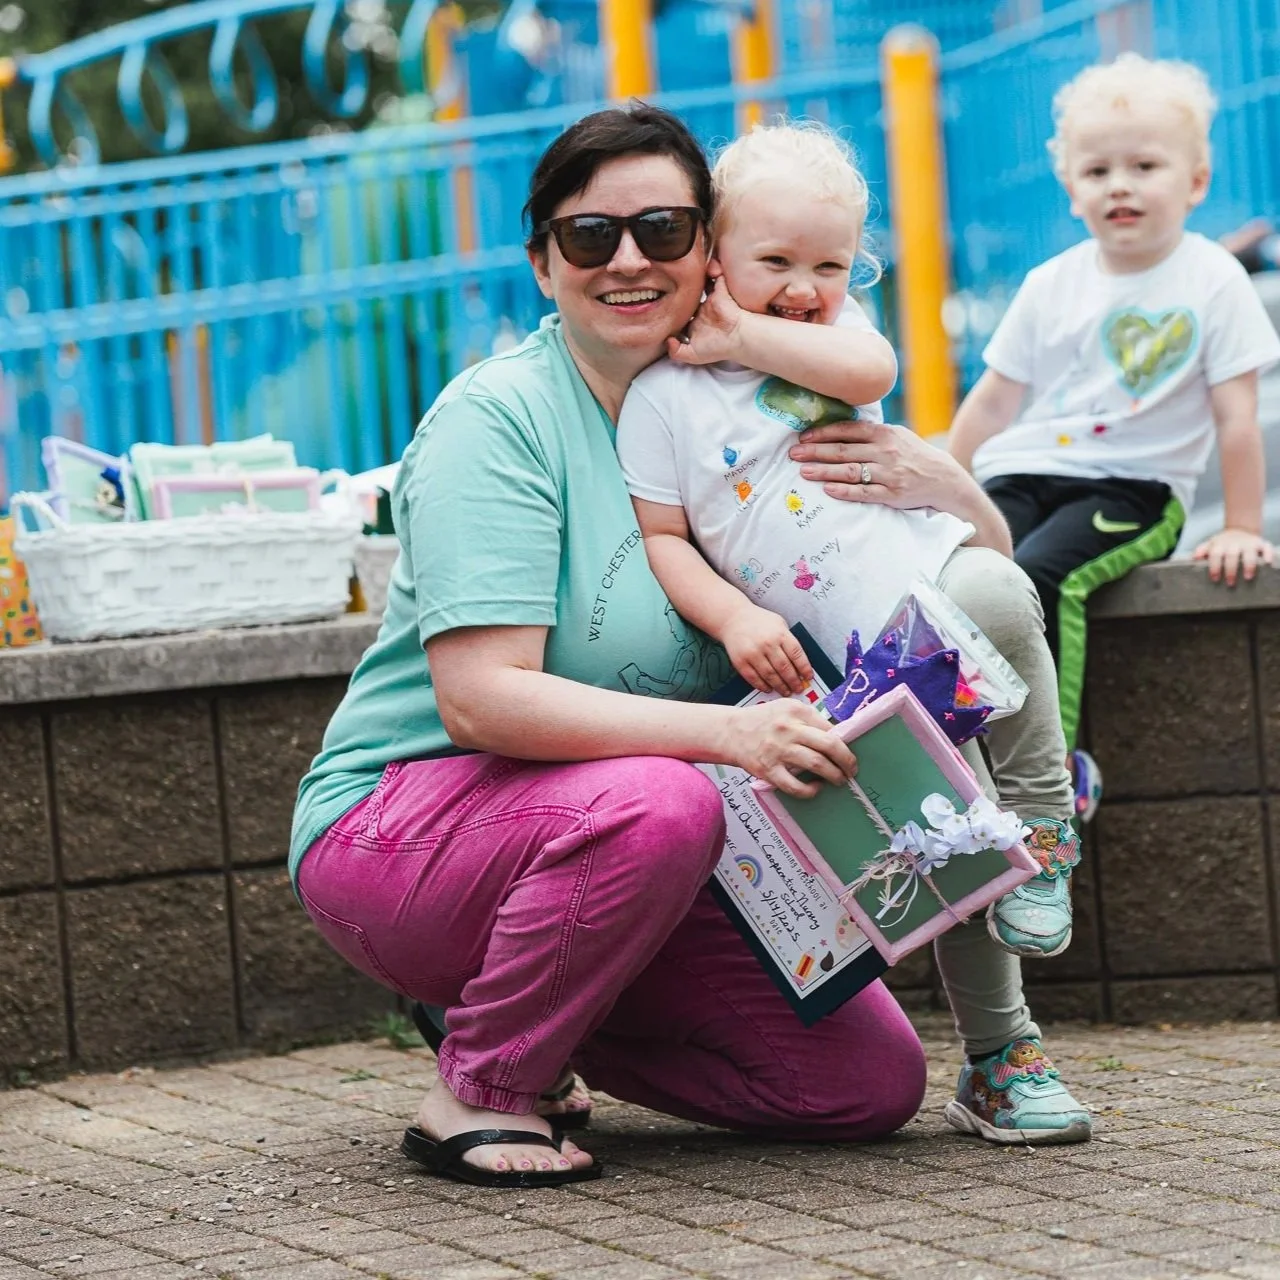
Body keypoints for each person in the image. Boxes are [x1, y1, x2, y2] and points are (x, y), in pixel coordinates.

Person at [290, 103, 1018, 1190]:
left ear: (710, 254)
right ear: (543, 264)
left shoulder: (767, 409)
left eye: (663, 231)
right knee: (662, 796)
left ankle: (521, 1006)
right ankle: (477, 1084)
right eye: (590, 236)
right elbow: (482, 702)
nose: (629, 260)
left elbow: (966, 592)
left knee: (863, 1082)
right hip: (406, 829)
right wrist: (728, 734)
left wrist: (951, 487)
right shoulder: (498, 418)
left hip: (634, 855)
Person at [615, 120, 1089, 1146]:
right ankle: (999, 1056)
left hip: (927, 581)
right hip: (845, 657)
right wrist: (735, 615)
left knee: (1002, 592)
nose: (802, 284)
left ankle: (1047, 828)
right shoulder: (661, 399)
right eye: (772, 261)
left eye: (827, 263)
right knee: (944, 833)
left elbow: (868, 360)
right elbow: (662, 539)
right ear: (713, 255)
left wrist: (744, 334)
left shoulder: (827, 347)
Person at [949, 53, 1280, 823]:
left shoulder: (1213, 280)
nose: (1119, 184)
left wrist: (1236, 526)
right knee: (961, 579)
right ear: (1072, 191)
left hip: (1131, 489)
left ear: (1195, 182)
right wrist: (945, 485)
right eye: (1096, 170)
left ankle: (1052, 776)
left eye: (1144, 165)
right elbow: (993, 402)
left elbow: (1237, 416)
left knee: (1038, 578)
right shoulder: (1051, 283)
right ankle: (960, 753)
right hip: (1023, 473)